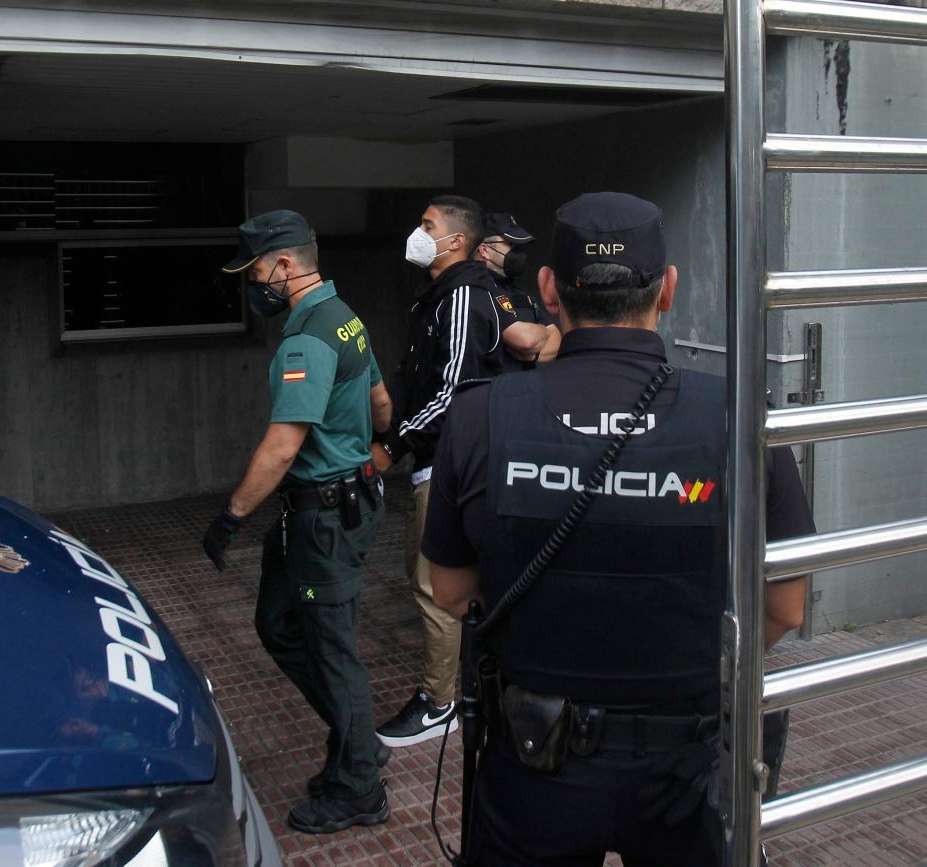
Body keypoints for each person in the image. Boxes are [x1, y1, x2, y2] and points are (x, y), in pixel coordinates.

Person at [423, 192, 814, 866]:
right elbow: (784, 605)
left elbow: (452, 592)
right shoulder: (744, 416)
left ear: (547, 289)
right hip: (687, 769)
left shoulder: (479, 416)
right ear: (667, 289)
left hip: (532, 765)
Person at [201, 209, 394, 834]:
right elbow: (382, 405)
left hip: (326, 518)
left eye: (256, 270)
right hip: (334, 507)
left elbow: (284, 445)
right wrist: (359, 439)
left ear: (285, 265)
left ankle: (359, 788)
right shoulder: (348, 319)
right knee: (278, 621)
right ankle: (358, 737)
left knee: (331, 651)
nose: (253, 283)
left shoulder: (308, 335)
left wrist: (230, 517)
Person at [371, 194, 552, 749]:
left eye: (427, 225)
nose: (417, 233)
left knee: (433, 585)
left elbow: (449, 391)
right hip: (451, 459)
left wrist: (390, 448)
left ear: (454, 241)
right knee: (462, 583)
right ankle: (477, 686)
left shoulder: (465, 295)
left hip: (451, 461)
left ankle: (439, 702)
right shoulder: (444, 293)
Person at [474, 211, 562, 369]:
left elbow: (556, 340)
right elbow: (526, 341)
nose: (518, 252)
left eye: (518, 246)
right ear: (484, 250)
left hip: (523, 387)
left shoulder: (518, 289)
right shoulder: (477, 287)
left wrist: (532, 355)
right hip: (492, 389)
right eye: (510, 245)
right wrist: (542, 334)